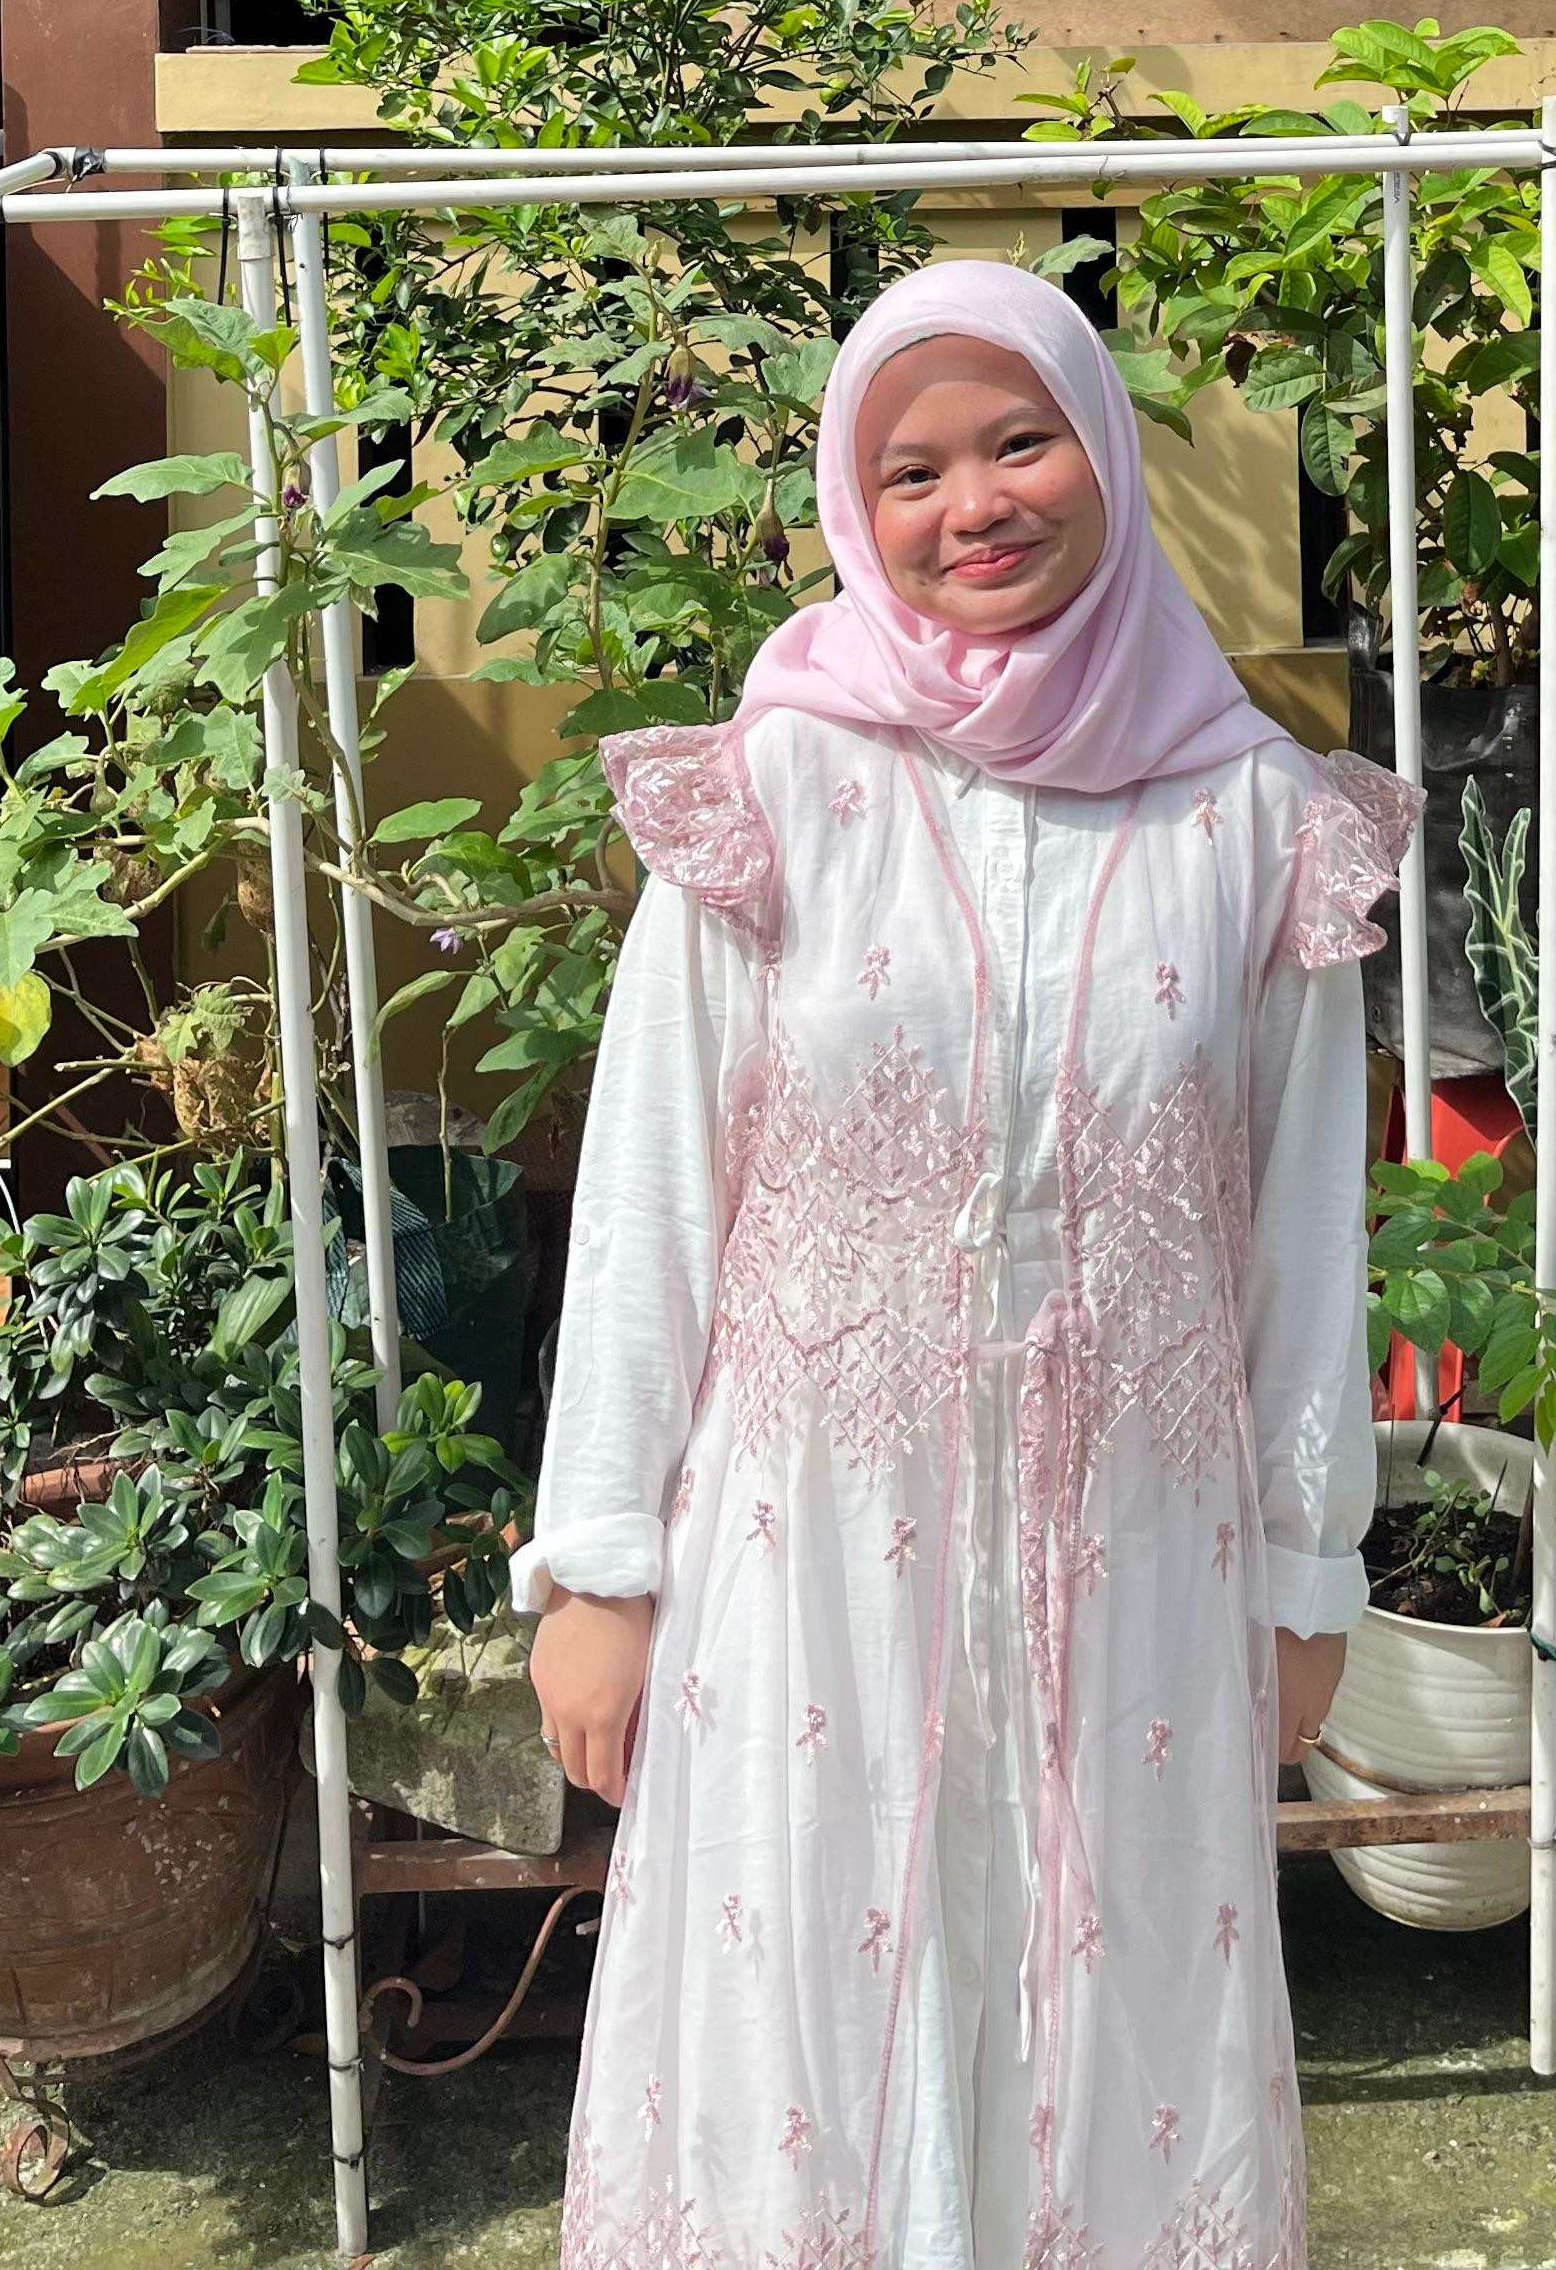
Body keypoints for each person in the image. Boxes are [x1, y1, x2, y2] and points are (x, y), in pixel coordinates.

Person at [516, 259, 1417, 2270]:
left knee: (1109, 2018)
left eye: (1020, 443)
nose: (973, 505)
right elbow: (653, 1197)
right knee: (813, 2027)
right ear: (855, 507)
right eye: (910, 470)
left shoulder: (1255, 824)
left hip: (1141, 1562)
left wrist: (1305, 1568)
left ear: (1105, 450)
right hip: (810, 1563)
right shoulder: (772, 797)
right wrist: (600, 1569)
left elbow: (1301, 1236)